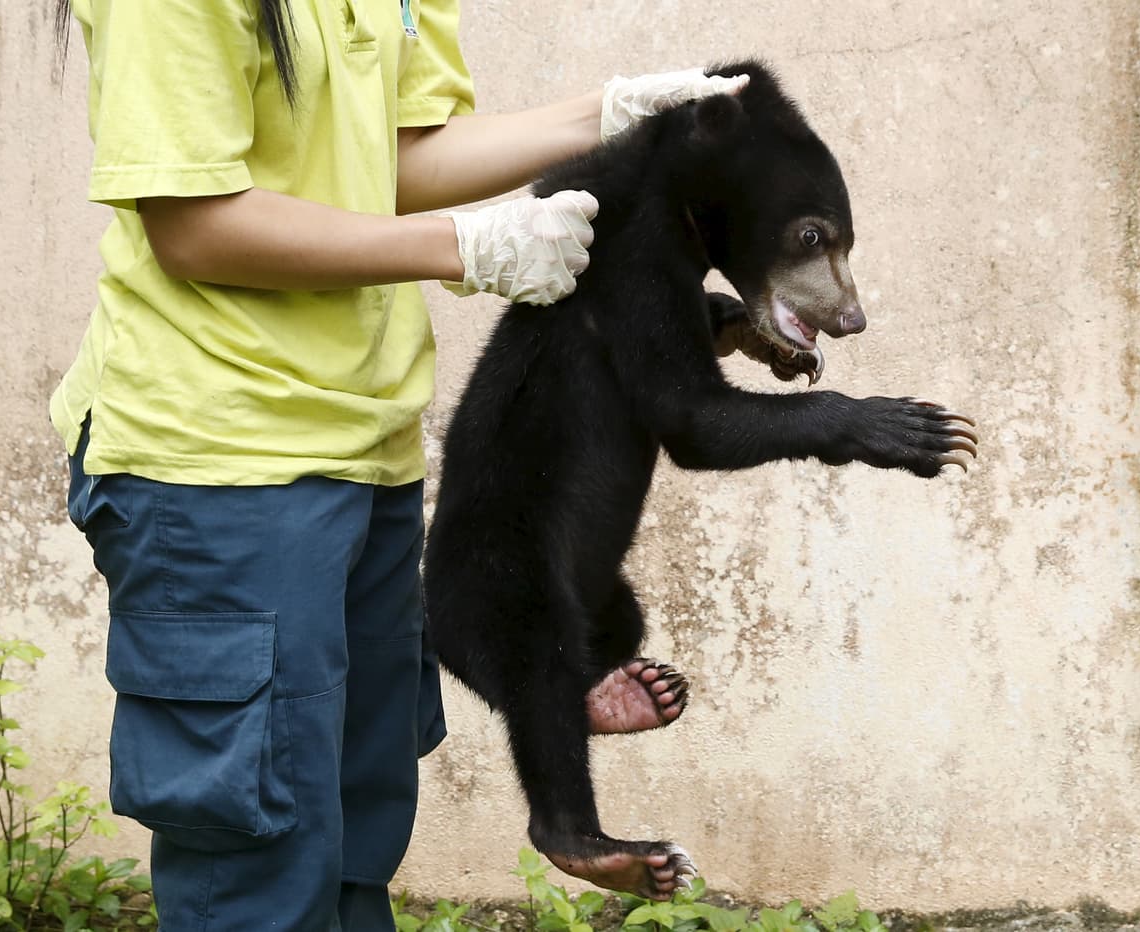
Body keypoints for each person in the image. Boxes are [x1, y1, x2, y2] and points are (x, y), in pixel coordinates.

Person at [51, 0, 745, 928]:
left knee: (355, 825)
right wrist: (465, 247)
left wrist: (612, 113)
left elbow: (401, 154)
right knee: (263, 849)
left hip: (365, 445)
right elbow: (192, 222)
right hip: (220, 458)